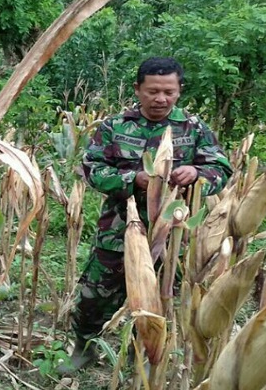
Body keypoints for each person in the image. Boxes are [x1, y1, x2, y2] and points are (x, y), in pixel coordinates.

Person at [61, 57, 233, 373]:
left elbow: (221, 169)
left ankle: (142, 357)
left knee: (160, 299)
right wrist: (132, 179)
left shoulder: (192, 128)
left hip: (173, 234)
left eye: (169, 91)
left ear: (179, 90)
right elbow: (92, 169)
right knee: (92, 296)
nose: (160, 99)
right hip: (119, 229)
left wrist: (195, 173)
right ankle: (82, 351)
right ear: (138, 89)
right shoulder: (115, 126)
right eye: (152, 91)